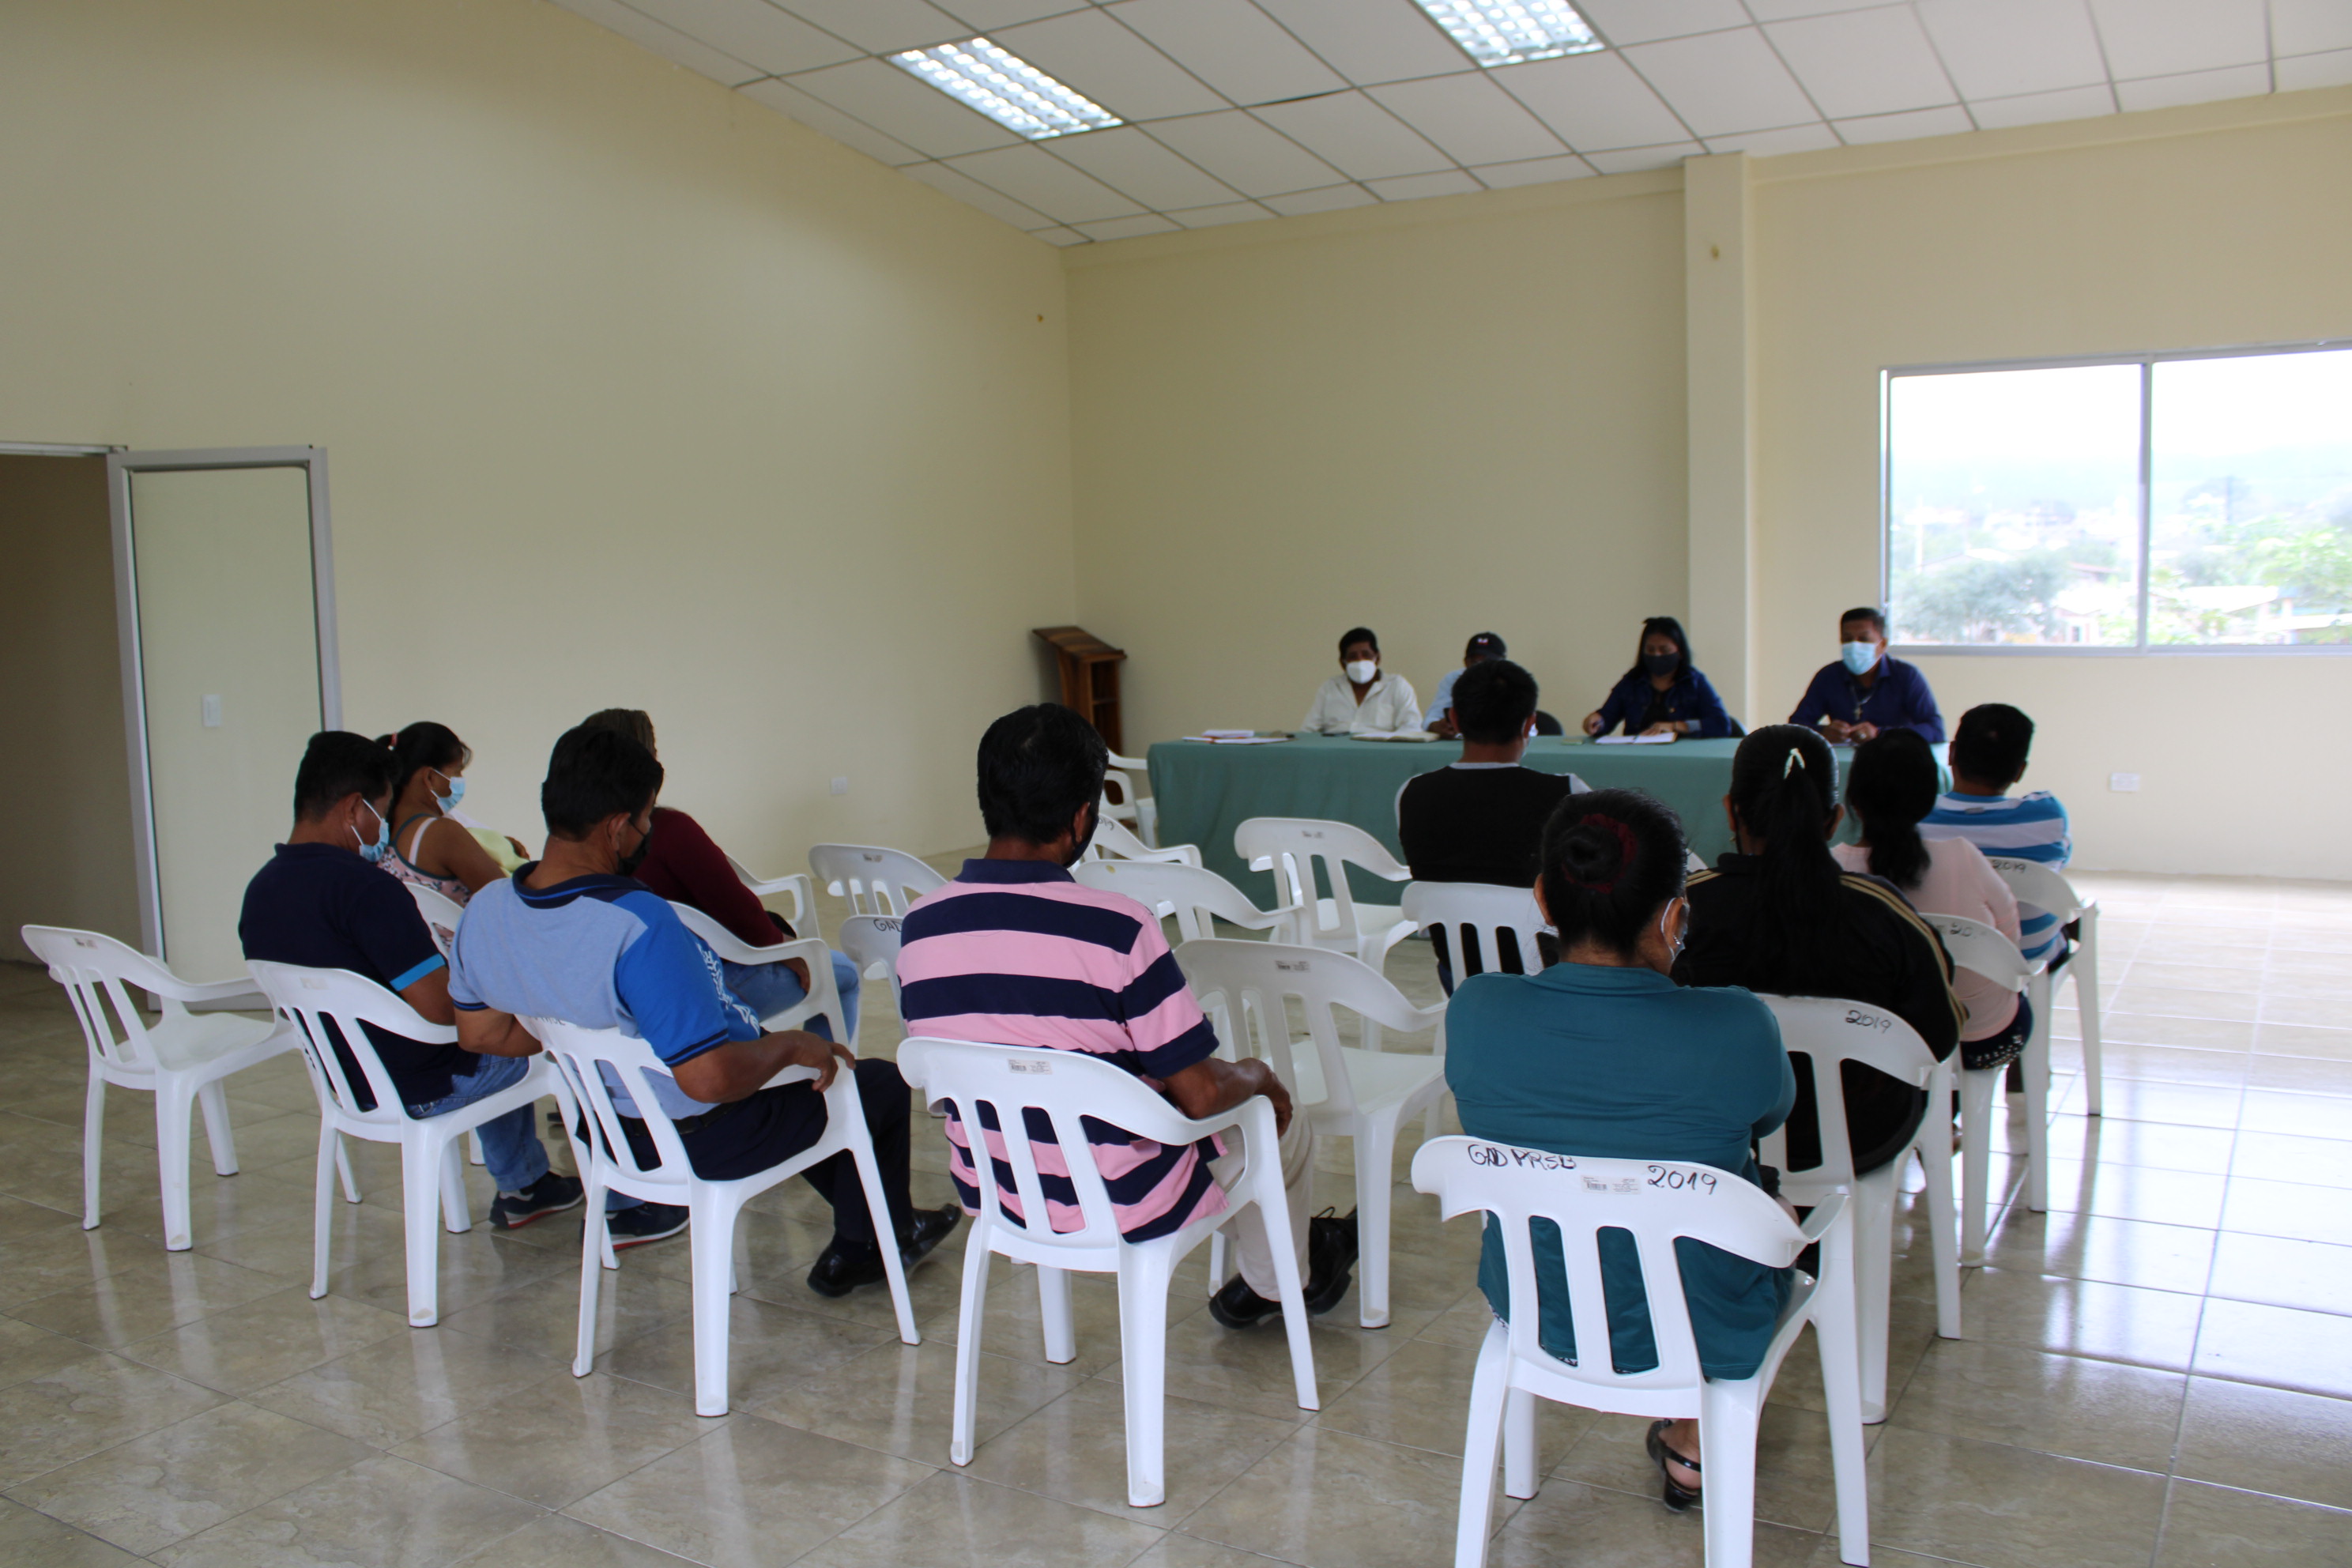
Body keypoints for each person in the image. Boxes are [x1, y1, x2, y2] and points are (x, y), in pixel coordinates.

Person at [895, 703, 1356, 1329]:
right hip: (1124, 1195)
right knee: (1273, 1121)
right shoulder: (1117, 928)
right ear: (1081, 817)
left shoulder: (921, 927)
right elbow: (1200, 1095)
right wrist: (1257, 1075)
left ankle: (1284, 1267)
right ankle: (1278, 1283)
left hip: (1000, 1188)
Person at [448, 724, 960, 1284]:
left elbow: (482, 1035)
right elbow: (709, 1079)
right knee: (872, 1084)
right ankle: (871, 1244)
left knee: (803, 1087)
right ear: (617, 826)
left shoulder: (487, 909)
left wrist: (572, 1027)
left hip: (609, 1132)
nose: (648, 832)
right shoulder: (638, 923)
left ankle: (875, 1234)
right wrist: (794, 1045)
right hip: (695, 1137)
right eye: (645, 819)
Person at [1446, 789, 1793, 1514]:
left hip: (1538, 1311)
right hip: (1705, 1328)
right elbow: (1769, 1115)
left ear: (1544, 899)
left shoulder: (1477, 1009)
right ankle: (1693, 1435)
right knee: (1769, 1205)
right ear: (1675, 916)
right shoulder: (1738, 1025)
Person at [238, 731, 582, 1231]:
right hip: (424, 1084)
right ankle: (585, 1186)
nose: (380, 827)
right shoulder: (367, 891)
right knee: (539, 1034)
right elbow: (444, 1011)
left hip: (345, 1082)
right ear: (353, 808)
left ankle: (527, 1182)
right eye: (379, 812)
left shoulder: (260, 891)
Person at [1674, 726, 1965, 1178]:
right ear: (1833, 820)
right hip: (1862, 1134)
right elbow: (1940, 1033)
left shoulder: (1681, 909)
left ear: (1732, 812)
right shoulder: (1882, 912)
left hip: (1714, 1133)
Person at [577, 708, 864, 1040]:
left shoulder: (573, 847)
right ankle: (827, 1072)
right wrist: (794, 952)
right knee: (843, 972)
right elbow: (741, 915)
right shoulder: (670, 831)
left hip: (617, 1004)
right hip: (699, 996)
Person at [1836, 730, 2031, 1072]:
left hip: (1868, 1050)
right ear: (1929, 797)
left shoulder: (1832, 868)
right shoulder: (1962, 856)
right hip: (1977, 1040)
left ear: (1852, 798)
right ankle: (1949, 1099)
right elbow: (2009, 939)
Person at [1396, 658, 1586, 989]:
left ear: (1454, 719)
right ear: (1530, 724)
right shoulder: (1569, 794)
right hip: (1553, 980)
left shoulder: (1411, 793)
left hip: (1461, 977)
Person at [1922, 703, 2071, 966]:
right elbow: (2061, 860)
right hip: (2027, 961)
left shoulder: (1915, 817)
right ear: (2020, 770)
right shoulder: (2048, 816)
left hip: (1936, 959)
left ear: (1951, 754)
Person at [375, 723, 510, 906]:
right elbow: (508, 903)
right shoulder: (442, 833)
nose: (460, 780)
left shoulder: (382, 831)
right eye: (457, 772)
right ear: (430, 777)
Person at [1788, 607, 1944, 743]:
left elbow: (1935, 730)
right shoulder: (1828, 676)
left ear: (1883, 644)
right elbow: (1795, 727)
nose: (1854, 646)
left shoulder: (1906, 676)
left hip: (1896, 760)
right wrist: (1823, 732)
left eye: (1863, 639)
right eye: (1847, 640)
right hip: (1844, 762)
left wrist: (1880, 734)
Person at [1581, 616, 1733, 740]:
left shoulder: (1694, 682)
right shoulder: (1632, 681)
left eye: (1664, 650)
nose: (1657, 655)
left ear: (1680, 652)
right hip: (1638, 757)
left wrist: (1675, 726)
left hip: (1683, 758)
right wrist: (1596, 721)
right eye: (1650, 650)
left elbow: (1721, 724)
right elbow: (1607, 717)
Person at [1301, 627, 1422, 735]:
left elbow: (1412, 728)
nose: (1360, 661)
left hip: (1381, 750)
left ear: (1377, 658)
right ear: (1343, 663)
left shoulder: (1397, 685)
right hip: (1335, 750)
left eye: (1366, 655)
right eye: (1353, 657)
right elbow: (1309, 730)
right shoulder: (1330, 687)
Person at [1425, 631, 1507, 740]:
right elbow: (1432, 718)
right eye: (1475, 662)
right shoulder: (1453, 679)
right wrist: (1437, 726)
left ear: (1502, 663)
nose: (1481, 667)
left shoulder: (1514, 681)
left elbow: (1526, 730)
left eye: (1488, 662)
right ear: (1466, 662)